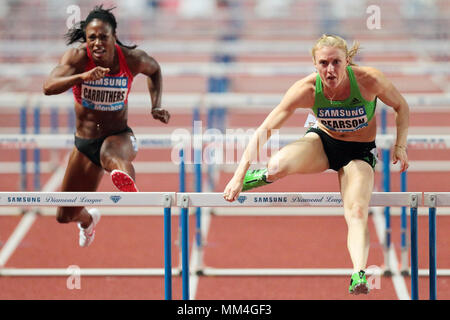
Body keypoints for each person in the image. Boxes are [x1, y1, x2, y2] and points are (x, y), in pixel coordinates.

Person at [223, 34, 409, 295]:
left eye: (336, 62)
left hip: (359, 152)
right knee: (277, 166)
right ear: (314, 64)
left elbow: (402, 106)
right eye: (323, 63)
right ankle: (263, 175)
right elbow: (266, 129)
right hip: (322, 143)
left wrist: (400, 145)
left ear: (347, 62)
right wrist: (237, 175)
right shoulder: (307, 89)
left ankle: (358, 273)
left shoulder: (369, 80)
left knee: (356, 210)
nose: (330, 70)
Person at [43, 5, 170, 247]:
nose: (98, 43)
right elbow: (48, 86)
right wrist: (81, 78)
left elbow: (155, 71)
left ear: (114, 36)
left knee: (110, 155)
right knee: (64, 215)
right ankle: (88, 220)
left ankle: (125, 180)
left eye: (104, 37)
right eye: (92, 38)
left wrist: (156, 105)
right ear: (86, 39)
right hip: (84, 143)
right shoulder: (78, 58)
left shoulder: (132, 59)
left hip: (119, 137)